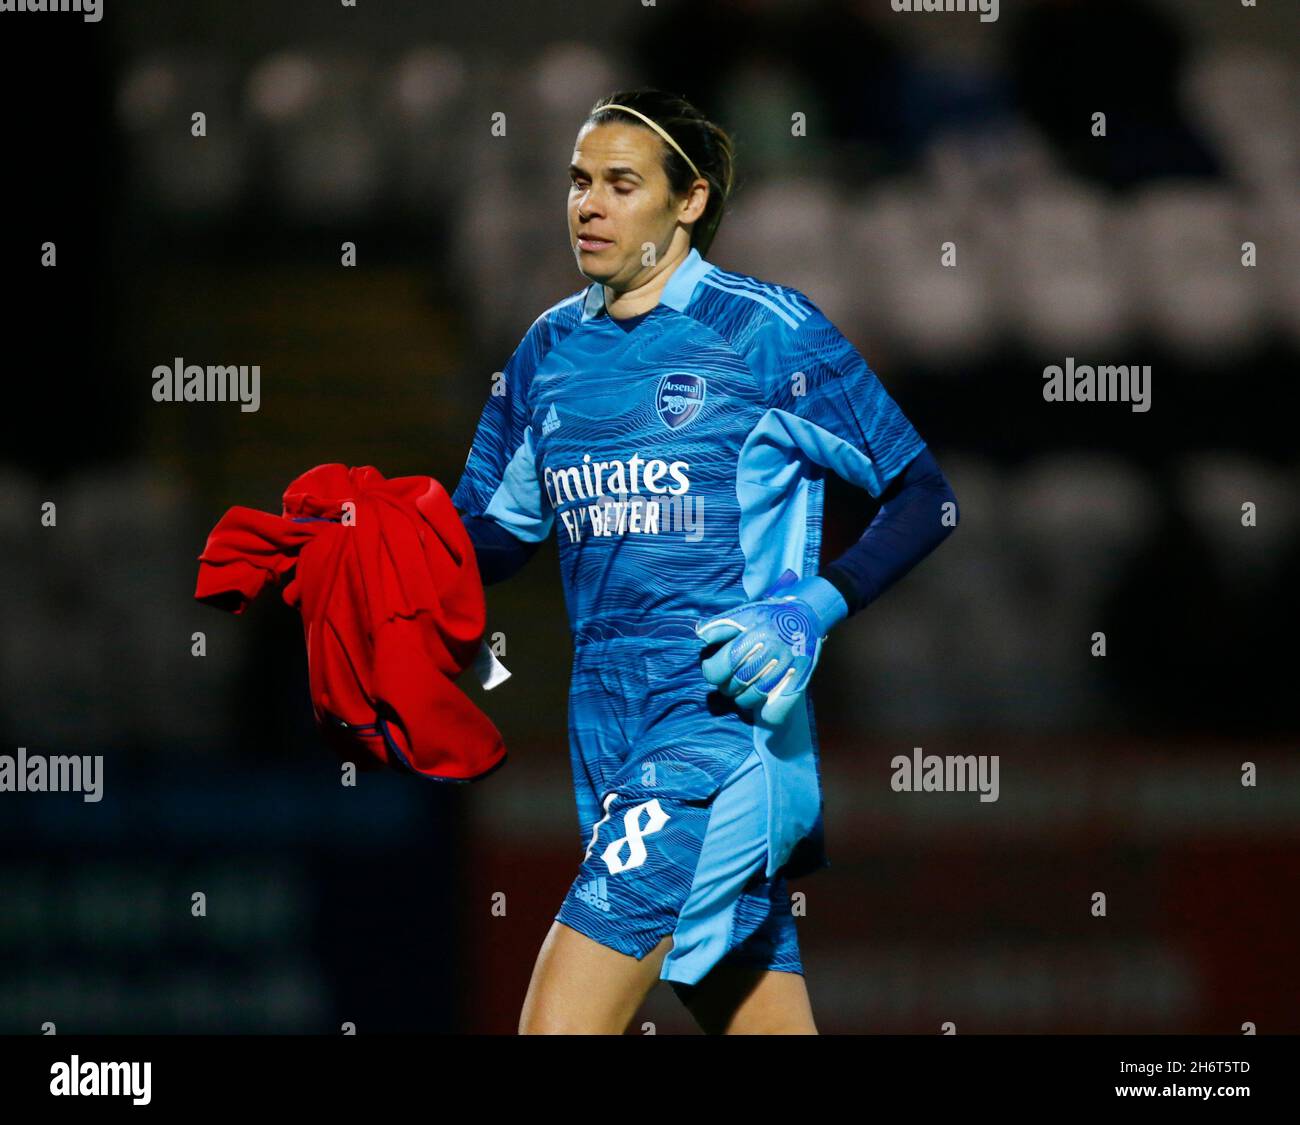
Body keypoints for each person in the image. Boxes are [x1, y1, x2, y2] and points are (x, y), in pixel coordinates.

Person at [452, 89, 957, 1034]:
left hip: (722, 725)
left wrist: (813, 606)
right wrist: (366, 548)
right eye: (577, 182)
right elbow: (496, 533)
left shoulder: (766, 333)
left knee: (559, 1024)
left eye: (619, 184)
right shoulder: (547, 351)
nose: (587, 206)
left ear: (688, 202)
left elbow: (925, 496)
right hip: (606, 723)